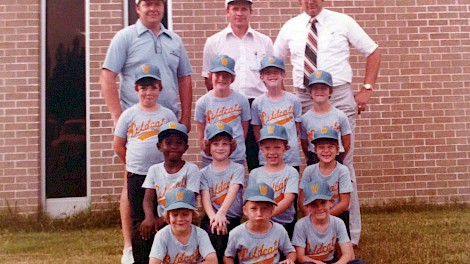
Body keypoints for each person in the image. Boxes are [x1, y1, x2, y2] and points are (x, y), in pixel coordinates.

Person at [274, 0, 381, 245]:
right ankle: (313, 229)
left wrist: (366, 89)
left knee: (343, 164)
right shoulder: (291, 27)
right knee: (312, 163)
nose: (311, 1)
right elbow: (275, 61)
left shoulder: (342, 21)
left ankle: (350, 236)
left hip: (339, 95)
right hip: (304, 95)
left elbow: (373, 51)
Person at [100, 0, 193, 261]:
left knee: (168, 181)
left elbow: (184, 78)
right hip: (137, 124)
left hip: (168, 125)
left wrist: (184, 118)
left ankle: (167, 241)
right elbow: (107, 76)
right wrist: (119, 117)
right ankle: (130, 247)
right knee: (133, 183)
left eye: (157, 4)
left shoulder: (174, 40)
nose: (153, 8)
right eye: (147, 4)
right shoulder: (125, 37)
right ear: (137, 7)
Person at [113, 64, 178, 264]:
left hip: (161, 175)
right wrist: (132, 163)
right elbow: (118, 145)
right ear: (136, 89)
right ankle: (139, 255)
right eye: (143, 88)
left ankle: (164, 253)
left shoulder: (167, 115)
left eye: (153, 87)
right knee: (138, 217)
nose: (148, 92)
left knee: (163, 213)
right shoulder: (129, 115)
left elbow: (174, 143)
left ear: (160, 88)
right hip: (137, 174)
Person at [202, 0, 274, 172]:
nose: (239, 13)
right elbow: (208, 78)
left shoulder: (264, 41)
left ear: (251, 12)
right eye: (235, 9)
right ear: (227, 11)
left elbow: (272, 77)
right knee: (228, 160)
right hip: (229, 107)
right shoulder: (214, 42)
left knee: (259, 159)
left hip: (257, 106)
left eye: (244, 9)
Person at [140, 122, 200, 259]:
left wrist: (162, 220)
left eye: (179, 143)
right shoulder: (154, 169)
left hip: (183, 219)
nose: (173, 146)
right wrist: (149, 218)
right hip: (161, 220)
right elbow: (148, 199)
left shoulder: (191, 169)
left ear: (186, 148)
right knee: (143, 232)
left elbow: (190, 199)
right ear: (159, 146)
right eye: (168, 142)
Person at [200, 123, 245, 264]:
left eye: (225, 144)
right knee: (215, 242)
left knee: (231, 253)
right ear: (209, 147)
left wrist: (222, 213)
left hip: (232, 218)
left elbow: (233, 191)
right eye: (216, 144)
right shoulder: (203, 173)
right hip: (212, 219)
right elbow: (205, 198)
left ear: (231, 146)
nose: (220, 148)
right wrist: (215, 217)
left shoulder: (237, 168)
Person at [195, 55, 251, 167]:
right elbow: (201, 131)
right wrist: (206, 147)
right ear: (210, 76)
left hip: (236, 156)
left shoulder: (241, 100)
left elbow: (244, 128)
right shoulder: (203, 102)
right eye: (217, 74)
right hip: (211, 157)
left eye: (226, 75)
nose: (221, 78)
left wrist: (235, 146)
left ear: (232, 78)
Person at [299, 127, 353, 237]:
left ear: (337, 150)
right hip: (314, 214)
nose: (326, 151)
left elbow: (344, 203)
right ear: (315, 150)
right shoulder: (309, 171)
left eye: (330, 147)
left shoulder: (342, 171)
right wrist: (312, 217)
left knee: (342, 252)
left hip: (336, 214)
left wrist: (325, 217)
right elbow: (301, 199)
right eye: (321, 147)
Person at [251, 55, 302, 171]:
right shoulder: (257, 103)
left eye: (276, 72)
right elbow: (257, 131)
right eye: (268, 73)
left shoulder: (293, 100)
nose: (272, 75)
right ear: (261, 77)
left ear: (283, 75)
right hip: (268, 156)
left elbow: (297, 128)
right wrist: (265, 148)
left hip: (290, 155)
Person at [224, 182, 296, 264]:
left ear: (272, 210)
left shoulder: (279, 230)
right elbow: (228, 257)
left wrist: (289, 260)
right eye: (253, 208)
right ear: (245, 210)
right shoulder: (236, 233)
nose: (259, 213)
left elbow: (290, 251)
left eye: (264, 208)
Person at [248, 124, 299, 238]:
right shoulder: (255, 173)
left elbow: (288, 200)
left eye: (277, 147)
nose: (272, 152)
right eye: (267, 148)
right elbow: (250, 201)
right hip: (260, 224)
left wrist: (266, 215)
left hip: (285, 224)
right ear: (261, 149)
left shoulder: (291, 172)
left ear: (285, 147)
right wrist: (260, 217)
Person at [292, 179, 356, 264]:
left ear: (331, 202)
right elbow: (300, 257)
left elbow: (347, 254)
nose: (319, 208)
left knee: (357, 262)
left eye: (323, 202)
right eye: (314, 204)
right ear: (307, 207)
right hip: (312, 262)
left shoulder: (338, 223)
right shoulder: (301, 225)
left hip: (332, 261)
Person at [149, 187, 218, 264]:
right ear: (168, 217)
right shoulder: (162, 235)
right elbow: (154, 262)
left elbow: (212, 260)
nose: (180, 219)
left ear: (193, 215)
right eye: (175, 215)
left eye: (185, 214)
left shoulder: (200, 234)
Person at [300, 70, 351, 166]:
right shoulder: (305, 118)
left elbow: (347, 143)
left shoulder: (340, 116)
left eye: (323, 88)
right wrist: (311, 158)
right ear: (310, 92)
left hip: (335, 157)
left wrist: (339, 158)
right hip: (314, 158)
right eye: (315, 88)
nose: (319, 91)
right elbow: (304, 144)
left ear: (330, 91)